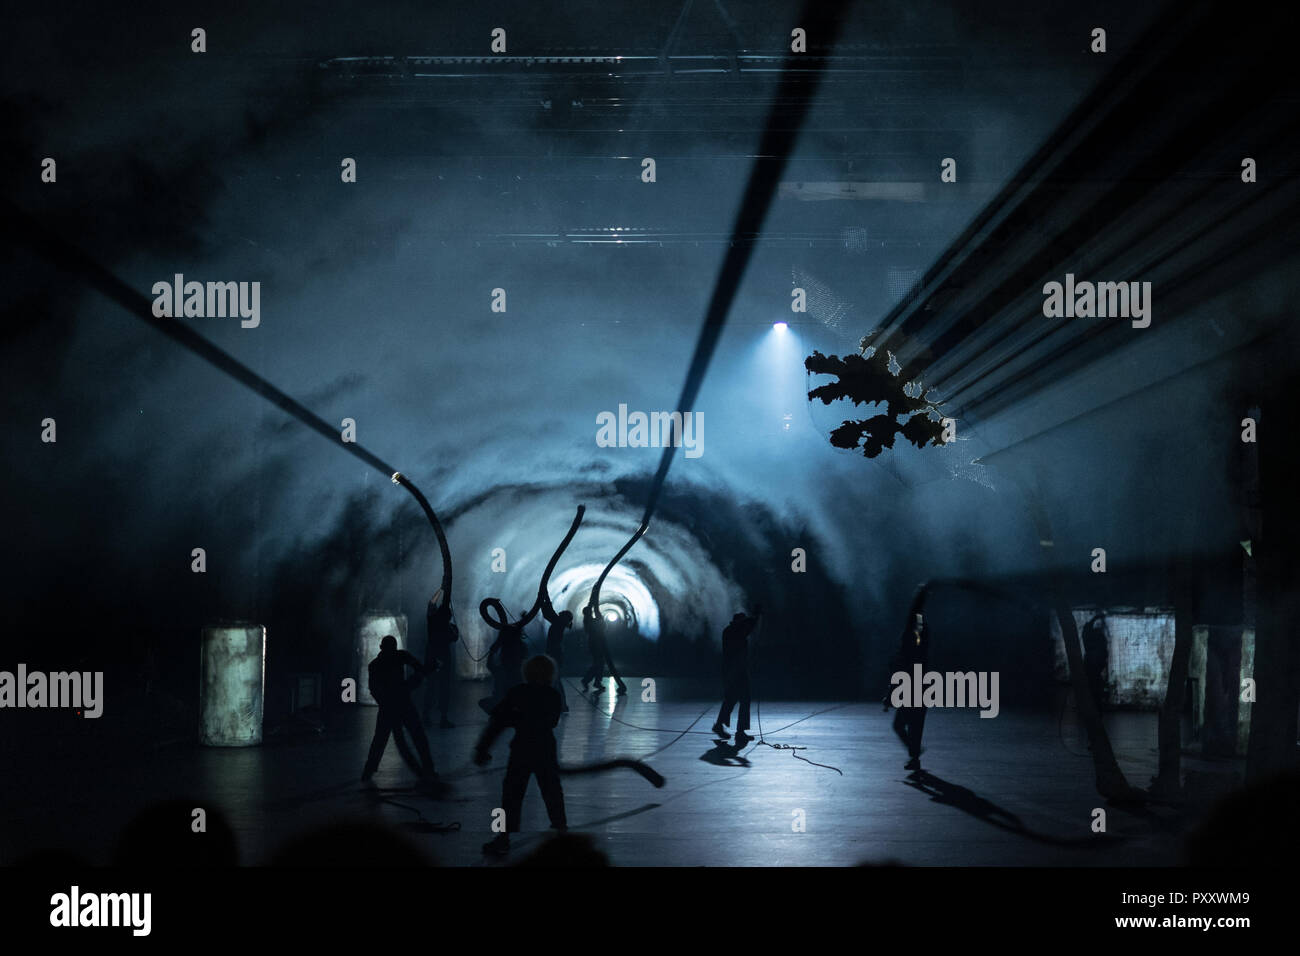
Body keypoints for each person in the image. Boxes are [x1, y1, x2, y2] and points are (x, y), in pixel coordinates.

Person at [475, 654, 567, 856]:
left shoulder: (517, 693)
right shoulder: (553, 695)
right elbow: (551, 722)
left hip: (521, 749)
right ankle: (562, 832)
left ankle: (503, 837)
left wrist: (482, 749)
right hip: (544, 749)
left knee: (510, 795)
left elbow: (497, 723)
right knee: (552, 791)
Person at [362, 635, 437, 782]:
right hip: (400, 703)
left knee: (382, 740)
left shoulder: (377, 664)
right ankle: (427, 771)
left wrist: (387, 702)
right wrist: (412, 683)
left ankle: (368, 772)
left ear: (381, 647)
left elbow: (374, 690)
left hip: (392, 706)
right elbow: (419, 670)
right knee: (417, 738)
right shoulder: (399, 657)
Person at [711, 607, 762, 745]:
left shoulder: (730, 631)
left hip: (731, 670)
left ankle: (720, 725)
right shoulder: (734, 632)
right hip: (736, 671)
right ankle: (739, 732)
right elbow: (748, 627)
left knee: (731, 699)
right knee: (744, 699)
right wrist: (756, 616)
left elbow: (748, 628)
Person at [890, 610, 930, 771]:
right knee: (912, 726)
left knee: (905, 725)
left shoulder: (912, 653)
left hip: (915, 692)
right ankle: (914, 756)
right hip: (919, 691)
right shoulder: (918, 652)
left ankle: (914, 756)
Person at [479, 600, 529, 715]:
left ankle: (504, 710)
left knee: (488, 701)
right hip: (513, 671)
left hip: (506, 670)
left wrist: (493, 650)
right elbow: (516, 632)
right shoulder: (520, 666)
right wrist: (524, 618)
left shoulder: (500, 670)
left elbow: (490, 664)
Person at [423, 589, 458, 728]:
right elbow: (455, 637)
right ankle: (439, 717)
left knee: (433, 687)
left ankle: (430, 716)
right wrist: (443, 589)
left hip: (434, 657)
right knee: (440, 688)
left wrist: (442, 589)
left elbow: (431, 603)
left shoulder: (433, 622)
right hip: (440, 658)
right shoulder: (448, 626)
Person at [579, 605, 627, 695]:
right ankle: (588, 680)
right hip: (596, 644)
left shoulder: (587, 620)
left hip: (595, 644)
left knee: (599, 663)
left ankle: (595, 681)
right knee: (598, 663)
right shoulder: (589, 621)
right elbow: (601, 627)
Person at [541, 600, 574, 713]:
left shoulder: (558, 623)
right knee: (554, 681)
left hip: (554, 655)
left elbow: (548, 613)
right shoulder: (559, 623)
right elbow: (548, 614)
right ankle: (560, 705)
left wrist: (545, 600)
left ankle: (562, 705)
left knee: (554, 681)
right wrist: (545, 600)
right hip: (555, 655)